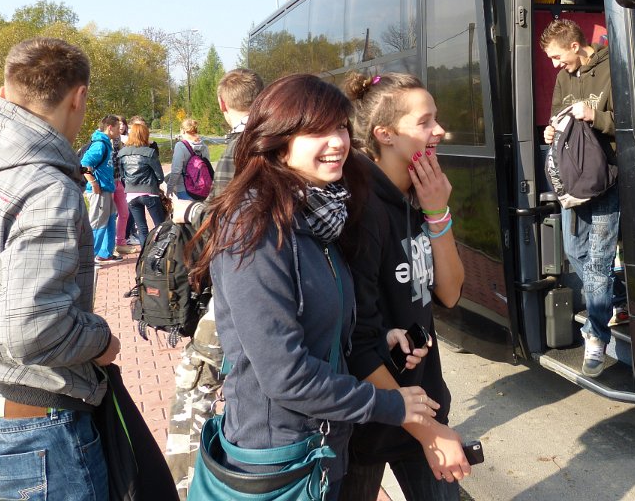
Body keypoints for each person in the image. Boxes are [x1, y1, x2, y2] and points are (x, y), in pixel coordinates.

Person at [186, 73, 438, 501]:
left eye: (340, 126)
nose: (337, 141)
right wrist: (392, 405)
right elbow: (285, 374)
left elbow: (316, 321)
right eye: (316, 131)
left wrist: (383, 338)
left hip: (321, 447)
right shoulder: (255, 228)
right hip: (277, 458)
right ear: (279, 140)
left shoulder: (318, 214)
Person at [0, 37, 121, 500]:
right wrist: (101, 341)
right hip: (37, 430)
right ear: (79, 97)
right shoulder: (47, 187)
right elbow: (33, 331)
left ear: (6, 90)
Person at [339, 72, 471, 501]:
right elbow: (357, 344)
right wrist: (429, 432)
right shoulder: (362, 210)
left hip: (423, 402)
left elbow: (449, 293)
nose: (440, 131)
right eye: (424, 122)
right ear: (385, 134)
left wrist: (438, 214)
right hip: (372, 415)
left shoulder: (419, 194)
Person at [164, 68, 264, 500]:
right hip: (266, 290)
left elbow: (228, 222)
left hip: (236, 290)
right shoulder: (278, 138)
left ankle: (187, 487)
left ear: (223, 104)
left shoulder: (242, 144)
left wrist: (188, 212)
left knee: (193, 389)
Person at [540, 18, 623, 377]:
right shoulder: (564, 78)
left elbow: (632, 122)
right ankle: (611, 298)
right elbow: (556, 118)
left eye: (557, 56)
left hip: (607, 179)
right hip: (572, 182)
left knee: (600, 262)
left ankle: (596, 337)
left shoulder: (614, 69)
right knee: (575, 252)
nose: (554, 65)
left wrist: (594, 115)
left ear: (575, 46)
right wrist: (550, 131)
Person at [118, 117, 166, 247]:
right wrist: (156, 185)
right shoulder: (149, 152)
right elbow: (160, 176)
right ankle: (161, 252)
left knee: (142, 228)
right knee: (160, 226)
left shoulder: (122, 153)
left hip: (131, 193)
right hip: (149, 191)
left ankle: (144, 254)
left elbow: (122, 175)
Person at [81, 114, 121, 262]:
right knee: (97, 223)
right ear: (110, 128)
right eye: (117, 127)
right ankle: (89, 258)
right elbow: (84, 164)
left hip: (107, 189)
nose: (119, 130)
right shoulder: (100, 145)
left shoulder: (106, 143)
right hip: (99, 191)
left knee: (109, 221)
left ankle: (105, 253)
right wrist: (93, 183)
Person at [111, 115, 137, 256]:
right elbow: (87, 163)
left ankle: (120, 243)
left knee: (124, 213)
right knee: (108, 216)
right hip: (107, 183)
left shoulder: (120, 141)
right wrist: (94, 182)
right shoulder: (103, 142)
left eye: (122, 124)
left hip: (119, 181)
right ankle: (105, 248)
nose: (121, 127)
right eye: (118, 125)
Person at [171, 117, 209, 200]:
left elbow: (176, 170)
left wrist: (170, 186)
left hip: (184, 189)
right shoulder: (204, 146)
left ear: (183, 131)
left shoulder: (180, 146)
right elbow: (207, 166)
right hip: (202, 189)